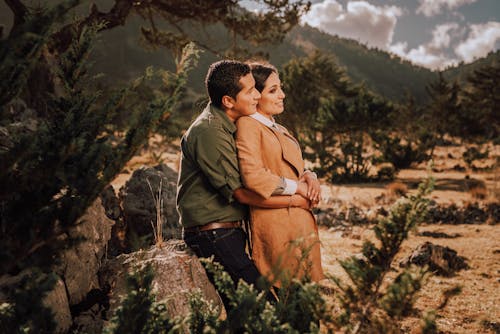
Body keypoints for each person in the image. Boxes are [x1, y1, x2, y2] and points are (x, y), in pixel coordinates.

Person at [176, 60, 313, 309]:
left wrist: (307, 176)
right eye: (250, 91)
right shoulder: (209, 131)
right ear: (228, 101)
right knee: (263, 309)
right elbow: (240, 192)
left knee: (242, 313)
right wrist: (297, 197)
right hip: (212, 234)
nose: (257, 95)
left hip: (227, 232)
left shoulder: (231, 124)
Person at [235, 62, 325, 287]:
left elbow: (290, 166)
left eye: (280, 88)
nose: (282, 95)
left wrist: (309, 175)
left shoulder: (278, 128)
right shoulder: (248, 125)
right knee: (287, 304)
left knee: (306, 308)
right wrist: (298, 189)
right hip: (277, 229)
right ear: (255, 94)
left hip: (300, 226)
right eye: (273, 90)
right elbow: (254, 177)